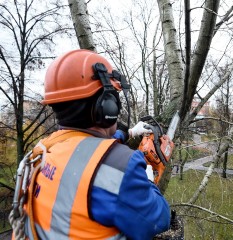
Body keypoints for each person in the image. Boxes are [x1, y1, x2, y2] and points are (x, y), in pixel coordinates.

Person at [16, 49, 170, 239]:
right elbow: (159, 220)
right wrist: (147, 179)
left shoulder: (43, 150)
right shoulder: (122, 167)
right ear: (107, 107)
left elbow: (84, 155)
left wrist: (128, 133)